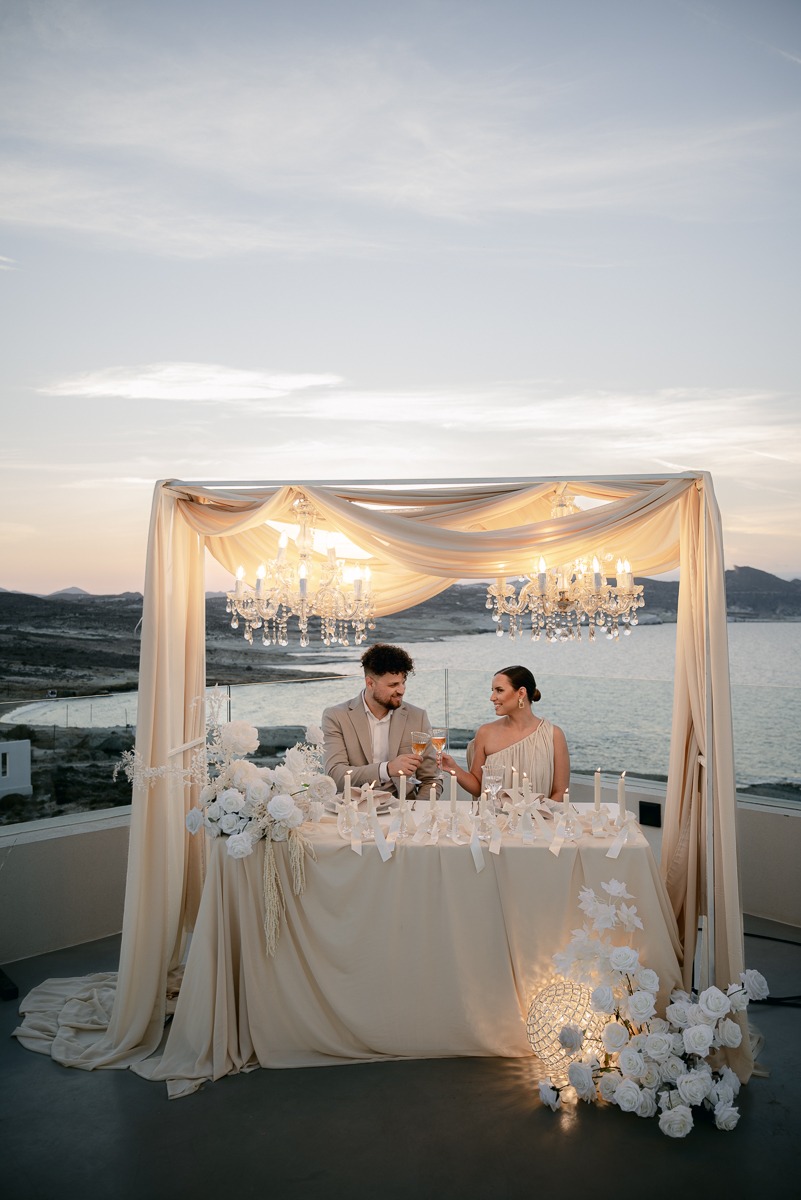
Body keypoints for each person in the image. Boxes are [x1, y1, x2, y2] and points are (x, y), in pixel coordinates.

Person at [322, 643, 441, 799]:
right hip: (354, 810)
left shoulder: (418, 717)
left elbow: (431, 779)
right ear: (370, 683)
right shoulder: (336, 716)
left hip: (403, 811)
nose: (401, 690)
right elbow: (335, 776)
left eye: (403, 682)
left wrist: (416, 812)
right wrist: (387, 769)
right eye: (393, 685)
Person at [440, 665, 569, 802]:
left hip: (537, 820)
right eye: (492, 691)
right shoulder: (485, 732)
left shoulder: (553, 735)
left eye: (499, 690)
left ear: (521, 693)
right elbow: (478, 787)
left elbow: (560, 792)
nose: (492, 697)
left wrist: (537, 818)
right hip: (493, 819)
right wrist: (453, 768)